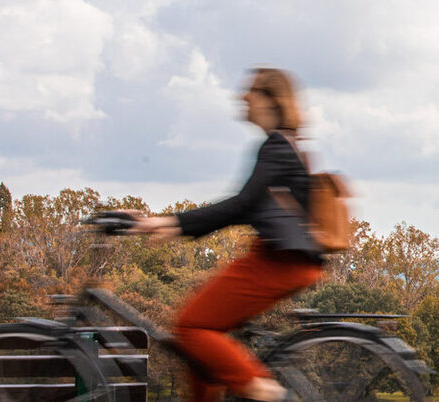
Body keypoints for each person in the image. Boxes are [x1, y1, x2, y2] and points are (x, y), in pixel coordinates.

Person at [124, 67, 327, 402]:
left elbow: (241, 206)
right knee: (200, 352)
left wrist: (169, 223)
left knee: (190, 327)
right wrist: (166, 224)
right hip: (278, 259)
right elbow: (248, 208)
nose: (241, 96)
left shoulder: (276, 147)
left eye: (251, 90)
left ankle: (270, 393)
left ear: (269, 100)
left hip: (279, 262)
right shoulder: (285, 145)